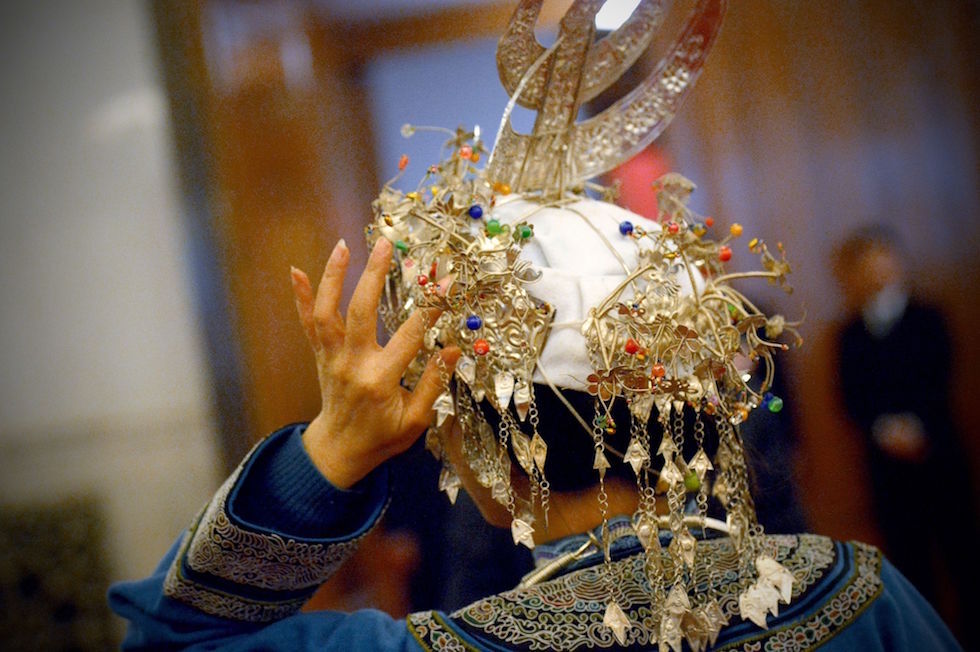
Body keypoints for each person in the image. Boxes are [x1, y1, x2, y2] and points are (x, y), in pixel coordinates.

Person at [109, 2, 961, 649]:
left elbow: (173, 638)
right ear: (698, 409)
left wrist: (329, 452)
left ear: (481, 447)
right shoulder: (862, 598)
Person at [834, 225, 978, 642]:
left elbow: (941, 377)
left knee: (964, 558)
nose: (878, 270)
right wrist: (883, 430)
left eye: (885, 259)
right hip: (887, 469)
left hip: (939, 456)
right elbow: (849, 397)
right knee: (911, 569)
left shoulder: (929, 317)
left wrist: (917, 428)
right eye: (867, 263)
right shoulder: (849, 334)